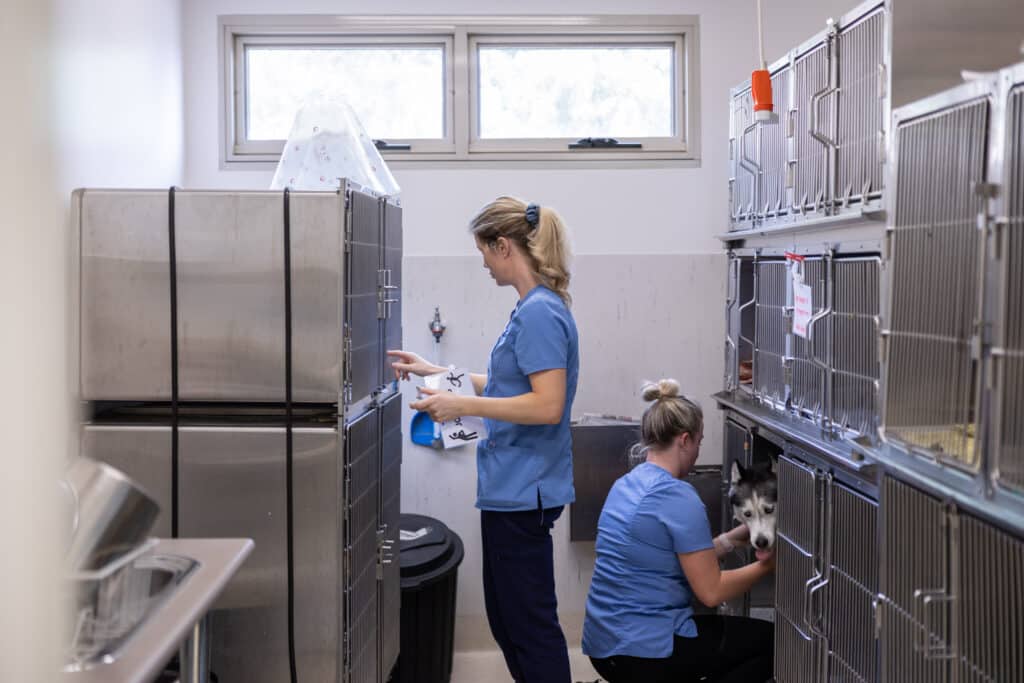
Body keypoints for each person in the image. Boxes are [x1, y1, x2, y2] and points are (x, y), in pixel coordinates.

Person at [388, 196, 578, 683]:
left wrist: (462, 406)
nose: (484, 265)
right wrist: (438, 374)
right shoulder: (530, 309)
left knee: (528, 627)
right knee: (508, 621)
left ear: (503, 245)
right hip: (509, 489)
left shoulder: (539, 313)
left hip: (523, 492)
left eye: (484, 253)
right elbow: (509, 386)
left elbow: (547, 404)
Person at [583, 379, 775, 683]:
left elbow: (677, 558)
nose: (699, 450)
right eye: (699, 441)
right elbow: (711, 592)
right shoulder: (677, 496)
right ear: (684, 440)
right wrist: (770, 564)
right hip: (644, 651)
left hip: (604, 645)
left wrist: (737, 536)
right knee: (774, 645)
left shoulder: (628, 483)